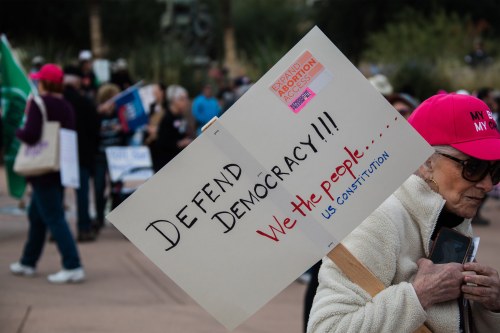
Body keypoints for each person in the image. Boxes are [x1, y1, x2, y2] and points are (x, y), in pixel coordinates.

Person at [308, 94, 500, 332]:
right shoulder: (378, 220)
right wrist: (419, 294)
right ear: (426, 162)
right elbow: (327, 328)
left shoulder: (454, 221)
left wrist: (492, 307)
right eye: (474, 167)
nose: (488, 184)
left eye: (495, 169)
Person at [10, 64, 85, 283]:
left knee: (53, 218)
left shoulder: (38, 103)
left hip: (41, 170)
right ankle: (28, 261)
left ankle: (73, 265)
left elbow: (31, 134)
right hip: (59, 168)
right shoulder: (65, 106)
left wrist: (17, 132)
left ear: (43, 82)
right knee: (37, 216)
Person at [63, 65, 100, 241]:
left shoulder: (58, 100)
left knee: (57, 194)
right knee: (82, 194)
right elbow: (95, 128)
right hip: (82, 154)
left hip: (60, 155)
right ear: (77, 81)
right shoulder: (84, 102)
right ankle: (83, 228)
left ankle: (56, 231)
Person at [93, 83, 127, 231]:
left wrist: (122, 128)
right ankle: (99, 217)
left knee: (117, 188)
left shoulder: (120, 113)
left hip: (117, 157)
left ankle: (117, 215)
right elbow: (90, 130)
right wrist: (98, 114)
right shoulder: (97, 113)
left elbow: (128, 130)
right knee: (99, 187)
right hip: (100, 155)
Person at [154, 85, 192, 170]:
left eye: (186, 99)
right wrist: (180, 143)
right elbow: (162, 142)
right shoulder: (167, 118)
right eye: (182, 99)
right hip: (166, 164)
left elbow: (182, 133)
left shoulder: (181, 117)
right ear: (174, 100)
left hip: (179, 162)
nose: (186, 102)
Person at [144, 83, 167, 172]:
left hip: (163, 143)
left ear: (162, 92)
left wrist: (158, 129)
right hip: (152, 143)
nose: (154, 93)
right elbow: (147, 121)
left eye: (156, 91)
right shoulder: (151, 106)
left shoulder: (168, 106)